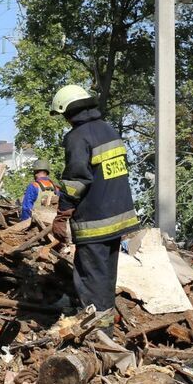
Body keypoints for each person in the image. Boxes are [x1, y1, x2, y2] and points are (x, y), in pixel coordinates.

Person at [49, 85, 140, 330]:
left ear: (69, 111)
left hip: (95, 221)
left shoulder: (78, 137)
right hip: (118, 217)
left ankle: (96, 336)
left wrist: (62, 214)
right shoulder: (108, 130)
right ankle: (105, 331)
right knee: (105, 278)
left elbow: (76, 180)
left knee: (90, 280)